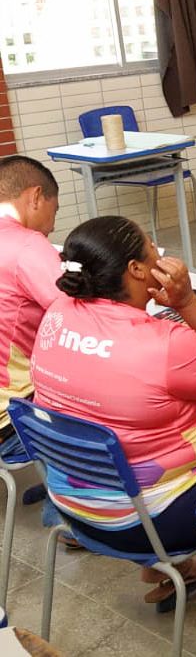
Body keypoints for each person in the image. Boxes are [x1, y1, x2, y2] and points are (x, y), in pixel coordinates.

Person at [29, 216, 196, 606]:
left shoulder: (58, 312)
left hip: (76, 506)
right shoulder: (165, 345)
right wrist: (187, 301)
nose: (160, 252)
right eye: (152, 247)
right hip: (147, 522)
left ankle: (173, 571)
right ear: (137, 269)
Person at [0, 155, 61, 456]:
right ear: (36, 196)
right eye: (54, 211)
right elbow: (78, 314)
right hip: (13, 417)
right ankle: (72, 494)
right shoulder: (29, 245)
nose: (52, 226)